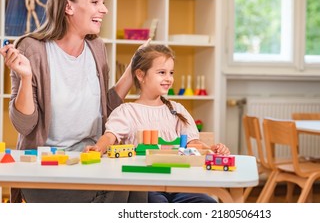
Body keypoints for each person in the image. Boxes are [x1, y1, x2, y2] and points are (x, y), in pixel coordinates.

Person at [0, 0, 147, 203]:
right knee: (120, 193)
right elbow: (24, 124)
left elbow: (104, 108)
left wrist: (132, 68)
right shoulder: (31, 48)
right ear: (68, 7)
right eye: (95, 2)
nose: (104, 10)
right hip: (47, 168)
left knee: (138, 189)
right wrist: (26, 78)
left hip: (92, 161)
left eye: (103, 2)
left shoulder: (97, 47)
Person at [85, 44, 230, 203]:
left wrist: (212, 149)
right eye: (162, 73)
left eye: (171, 73)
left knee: (209, 203)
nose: (168, 78)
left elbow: (193, 143)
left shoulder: (177, 109)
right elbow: (110, 136)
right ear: (140, 75)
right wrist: (98, 148)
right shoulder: (126, 111)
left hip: (178, 184)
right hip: (146, 186)